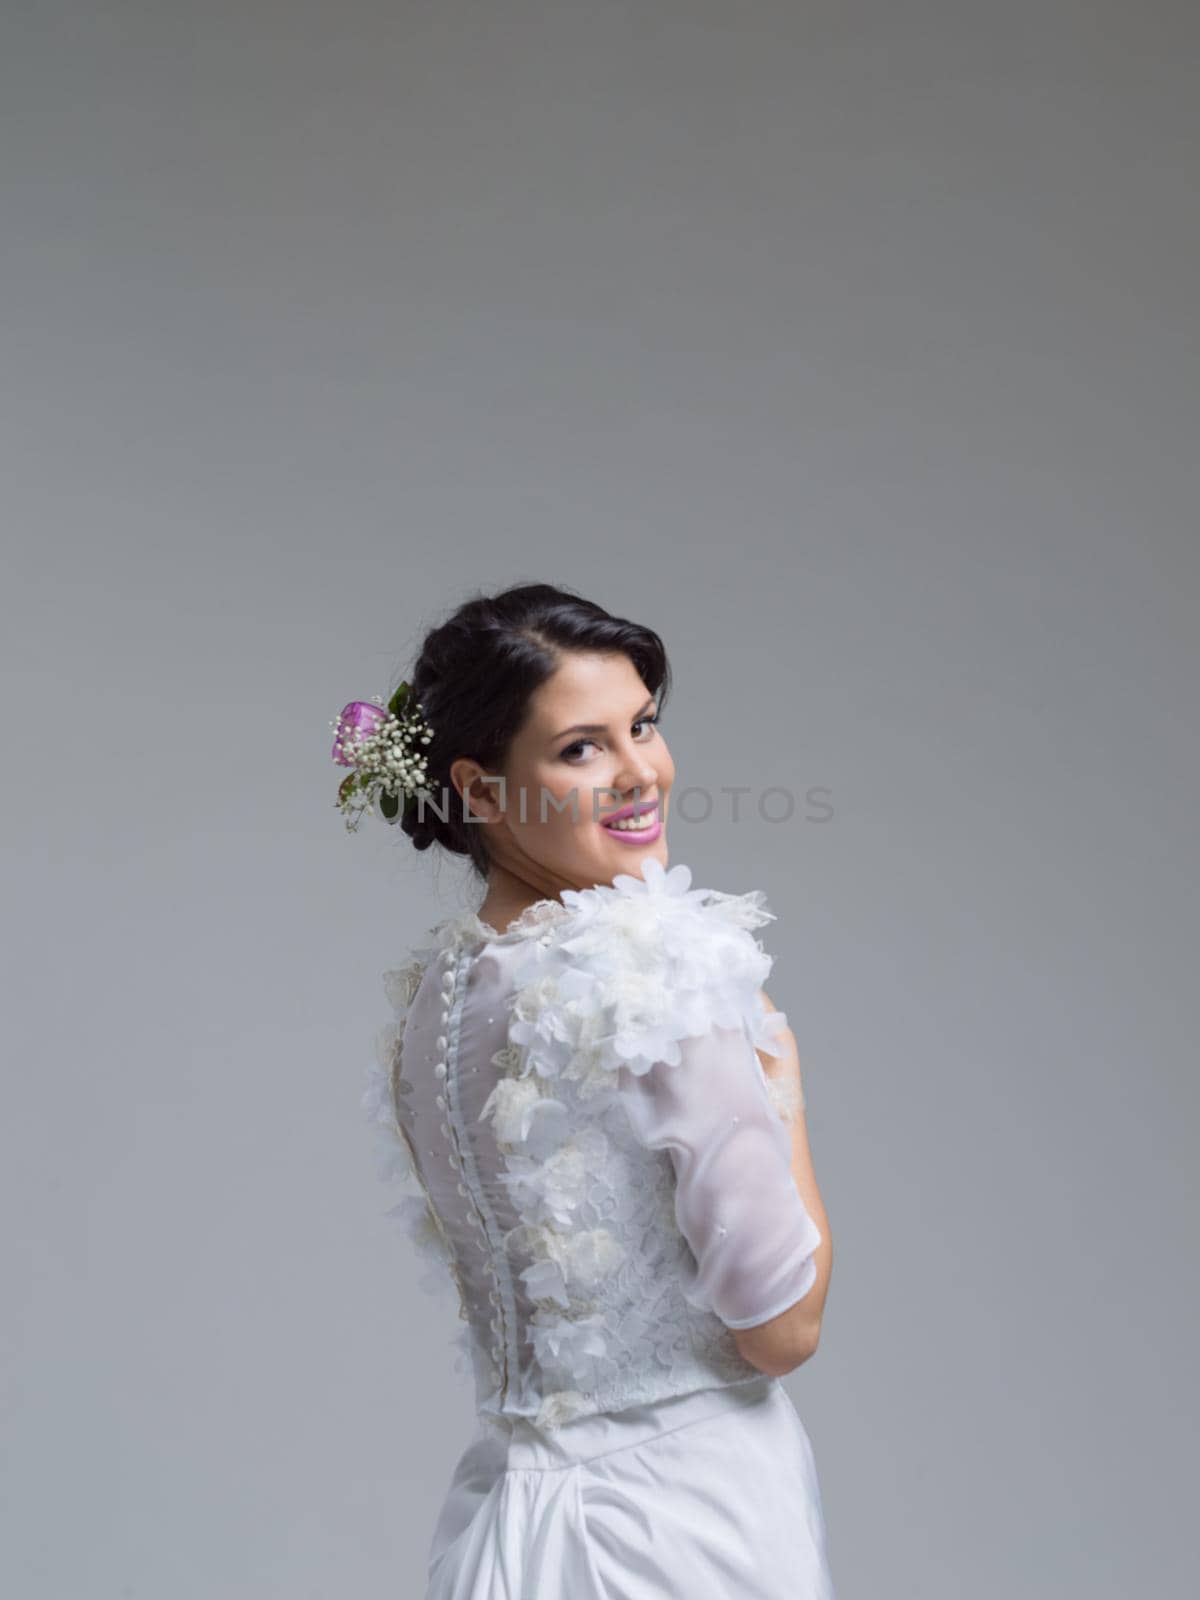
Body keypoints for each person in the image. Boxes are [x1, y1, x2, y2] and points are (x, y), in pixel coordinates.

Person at [337, 581, 837, 1597]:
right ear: (480, 791)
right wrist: (785, 1093)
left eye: (643, 726)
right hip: (687, 1524)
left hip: (504, 1531)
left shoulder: (439, 996)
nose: (640, 772)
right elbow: (781, 1329)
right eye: (582, 748)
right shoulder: (662, 966)